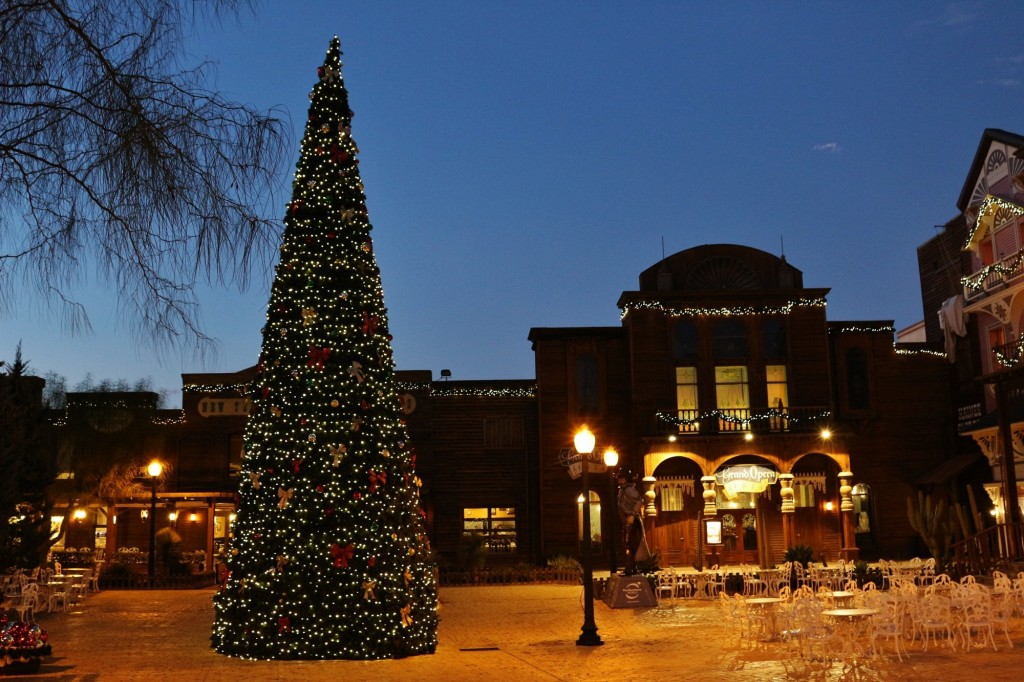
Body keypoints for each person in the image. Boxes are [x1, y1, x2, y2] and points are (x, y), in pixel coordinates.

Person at [616, 469, 647, 575]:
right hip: (626, 520)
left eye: (622, 478)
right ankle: (631, 568)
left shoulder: (628, 490)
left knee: (628, 544)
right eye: (620, 478)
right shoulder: (623, 490)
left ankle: (630, 569)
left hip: (630, 519)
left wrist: (632, 515)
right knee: (628, 544)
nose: (620, 480)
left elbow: (640, 501)